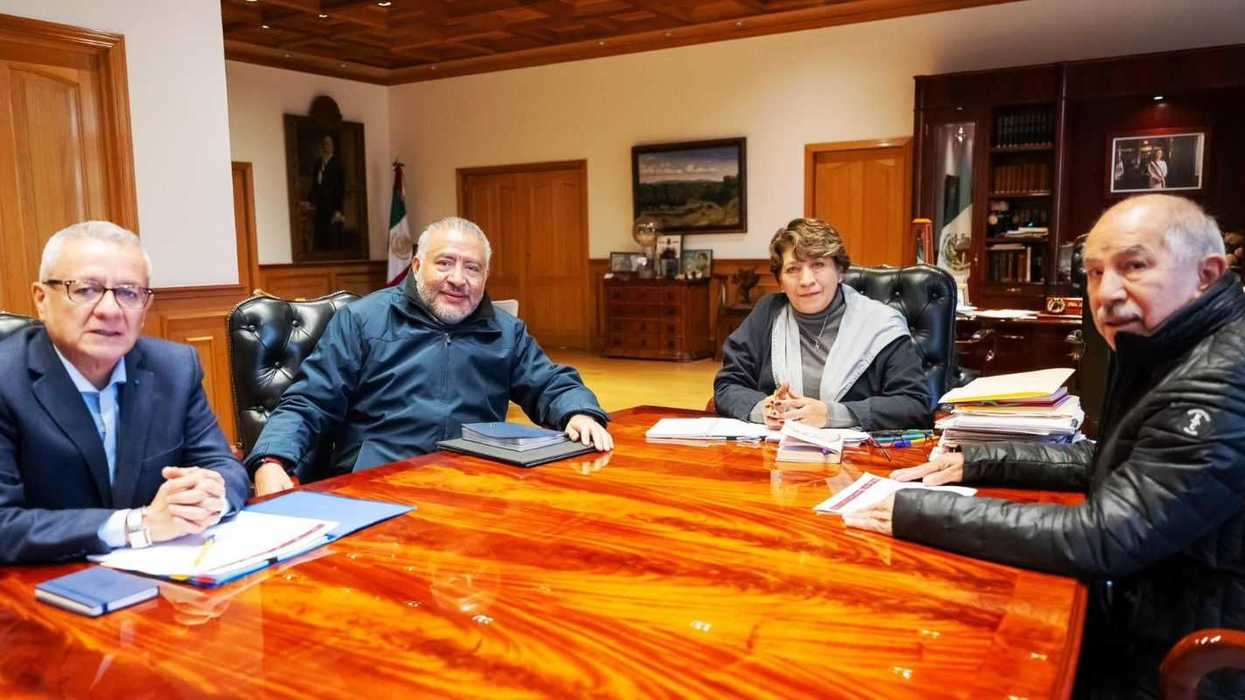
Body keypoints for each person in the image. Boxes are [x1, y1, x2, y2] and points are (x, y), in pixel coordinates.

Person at [844, 195, 1245, 699]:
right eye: (1095, 273)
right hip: (1152, 603)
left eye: (1134, 266)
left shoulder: (1222, 380)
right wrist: (977, 461)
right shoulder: (1173, 343)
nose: (1107, 294)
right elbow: (1112, 462)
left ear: (1207, 274)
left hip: (1186, 654)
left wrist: (913, 511)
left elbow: (1105, 537)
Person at [247, 217, 612, 496]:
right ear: (417, 267)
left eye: (472, 268)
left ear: (486, 277)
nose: (458, 279)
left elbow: (548, 382)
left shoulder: (505, 331)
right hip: (378, 485)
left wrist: (578, 409)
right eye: (445, 263)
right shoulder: (362, 321)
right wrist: (272, 459)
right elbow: (309, 401)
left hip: (476, 485)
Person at [0, 222, 249, 564]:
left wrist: (209, 497)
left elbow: (223, 465)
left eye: (129, 293)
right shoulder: (6, 379)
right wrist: (137, 525)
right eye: (86, 289)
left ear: (145, 308)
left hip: (165, 583)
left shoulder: (174, 367)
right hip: (40, 586)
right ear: (41, 300)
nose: (110, 310)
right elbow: (4, 524)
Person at [714, 218, 932, 430]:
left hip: (859, 458)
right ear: (780, 282)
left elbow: (914, 403)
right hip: (776, 453)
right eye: (793, 269)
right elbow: (727, 386)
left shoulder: (880, 323)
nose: (806, 280)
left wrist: (832, 415)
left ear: (840, 272)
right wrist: (764, 409)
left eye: (818, 264)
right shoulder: (769, 313)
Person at [307, 134, 345, 250]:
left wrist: (338, 210)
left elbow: (340, 188)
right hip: (320, 207)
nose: (326, 146)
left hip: (333, 206)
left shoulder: (338, 164)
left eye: (329, 143)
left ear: (333, 146)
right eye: (324, 144)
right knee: (320, 238)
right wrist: (310, 201)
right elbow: (314, 184)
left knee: (332, 239)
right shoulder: (318, 163)